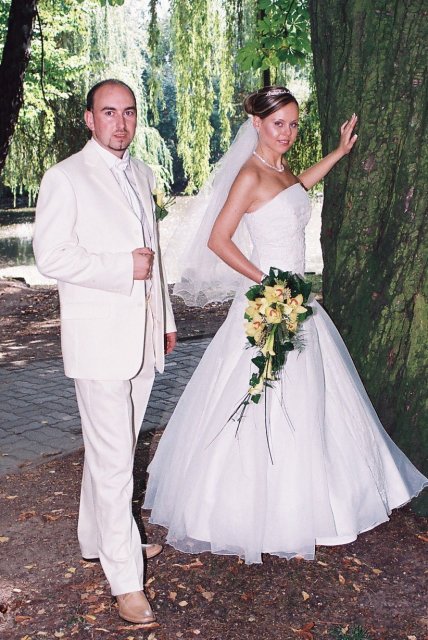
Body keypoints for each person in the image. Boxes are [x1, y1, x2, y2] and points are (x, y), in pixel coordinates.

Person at [143, 86, 427, 565]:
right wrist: (267, 282)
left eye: (293, 124)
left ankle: (315, 503)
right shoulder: (250, 174)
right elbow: (218, 240)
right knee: (263, 395)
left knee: (312, 398)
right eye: (279, 124)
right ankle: (256, 510)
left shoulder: (281, 170)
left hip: (297, 301)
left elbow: (297, 189)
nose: (288, 133)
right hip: (268, 301)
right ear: (256, 123)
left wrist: (337, 153)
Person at [33, 79, 177, 624]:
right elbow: (51, 256)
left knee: (113, 451)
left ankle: (97, 538)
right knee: (116, 462)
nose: (121, 123)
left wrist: (164, 319)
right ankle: (126, 580)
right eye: (109, 113)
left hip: (141, 337)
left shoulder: (140, 173)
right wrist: (121, 268)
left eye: (129, 113)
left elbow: (155, 255)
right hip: (97, 343)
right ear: (89, 119)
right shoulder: (65, 177)